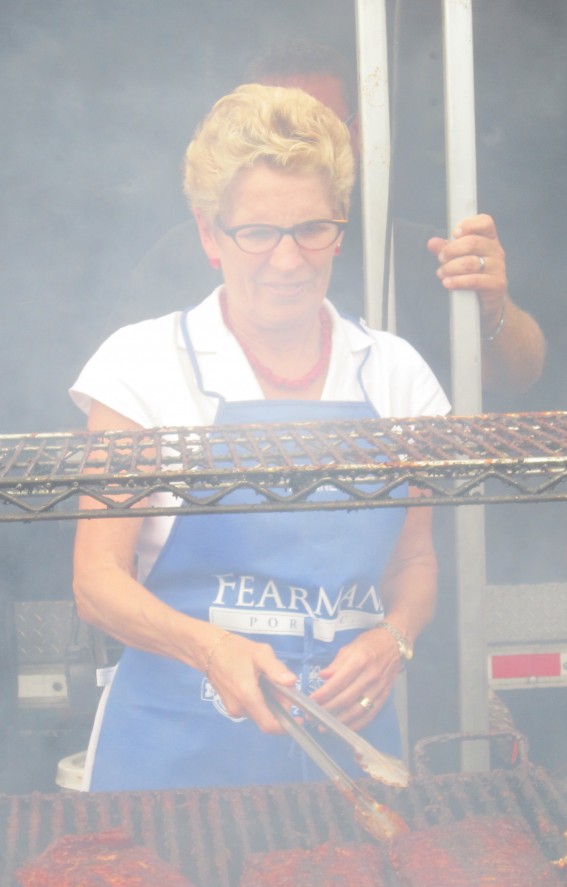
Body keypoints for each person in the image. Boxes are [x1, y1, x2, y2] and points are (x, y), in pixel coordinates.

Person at [71, 84, 449, 791]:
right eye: (258, 232)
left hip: (350, 759)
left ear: (340, 226)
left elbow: (417, 563)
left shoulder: (397, 375)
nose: (289, 259)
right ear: (211, 235)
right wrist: (212, 648)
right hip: (170, 755)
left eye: (313, 228)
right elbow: (95, 583)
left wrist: (394, 637)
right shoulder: (142, 366)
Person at [106, 40, 545, 397]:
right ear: (209, 233)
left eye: (321, 126)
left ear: (355, 135)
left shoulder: (417, 262)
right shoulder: (172, 262)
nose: (287, 260)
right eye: (274, 127)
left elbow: (513, 379)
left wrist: (492, 311)